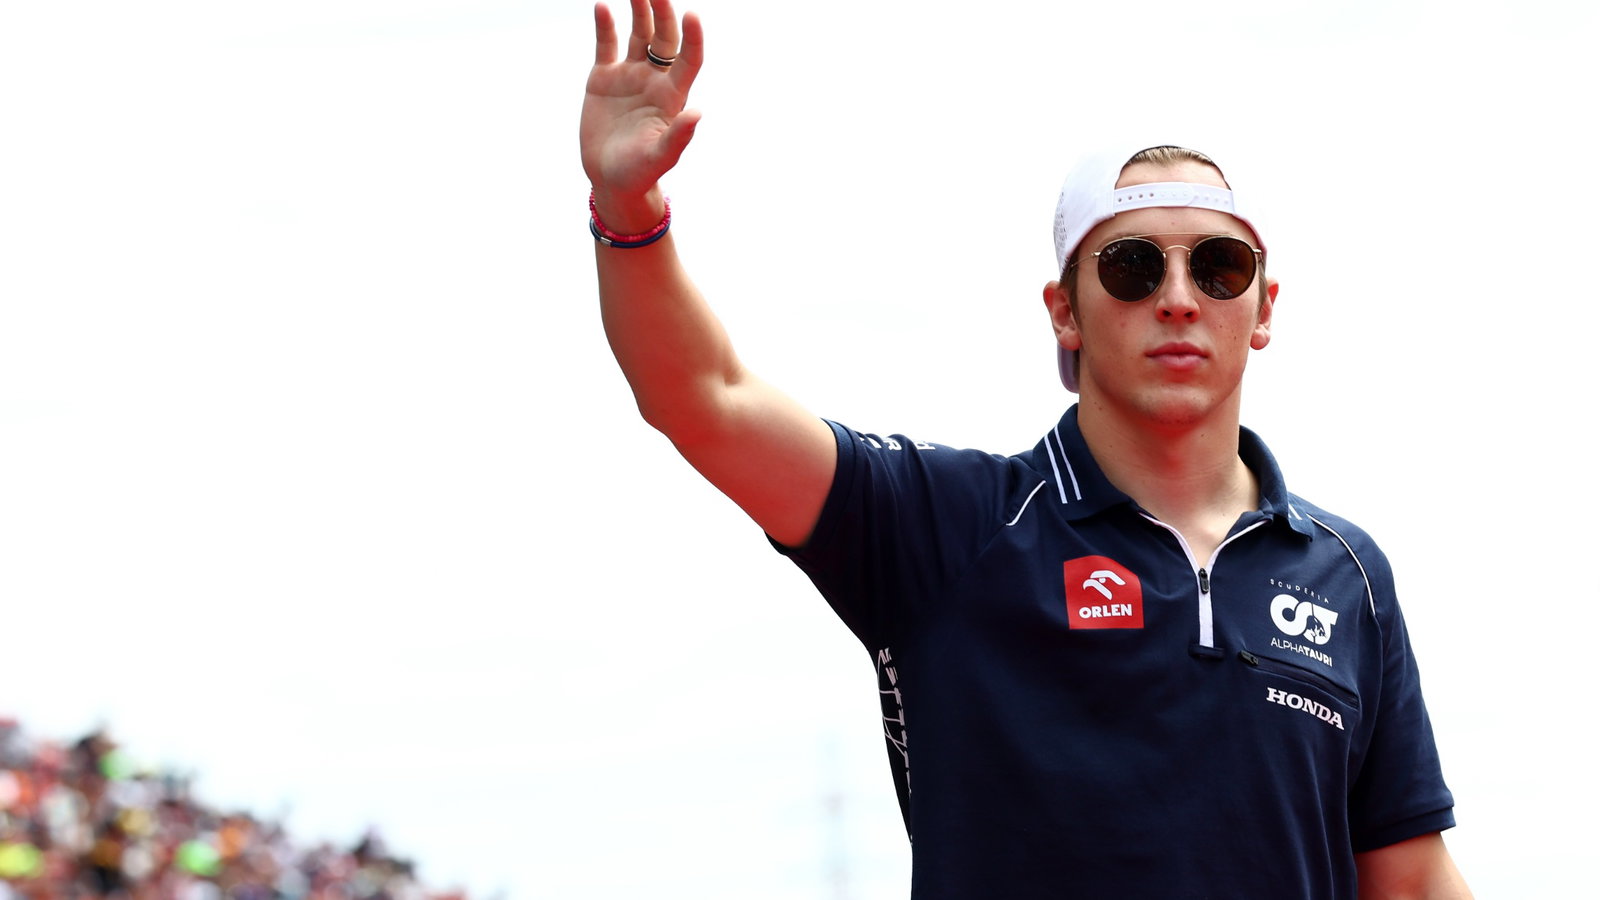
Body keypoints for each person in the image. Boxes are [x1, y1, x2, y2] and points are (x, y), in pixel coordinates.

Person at [579, 1, 1472, 897]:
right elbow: (706, 398)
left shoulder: (1348, 575)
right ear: (1064, 309)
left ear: (1264, 308)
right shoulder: (948, 526)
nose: (1177, 297)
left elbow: (1412, 878)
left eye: (1217, 267)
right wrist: (628, 208)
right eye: (1131, 265)